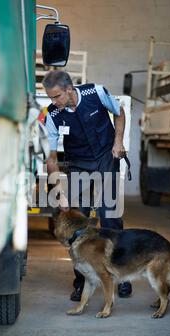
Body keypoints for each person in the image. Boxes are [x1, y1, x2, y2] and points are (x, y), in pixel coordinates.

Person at [43, 70, 132, 301]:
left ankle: (121, 276)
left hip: (105, 157)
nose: (53, 102)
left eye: (57, 97)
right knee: (76, 223)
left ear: (70, 89)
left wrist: (118, 141)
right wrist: (58, 192)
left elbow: (119, 111)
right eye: (50, 98)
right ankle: (82, 281)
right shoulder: (53, 114)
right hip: (78, 165)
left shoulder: (97, 92)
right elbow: (51, 158)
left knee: (111, 217)